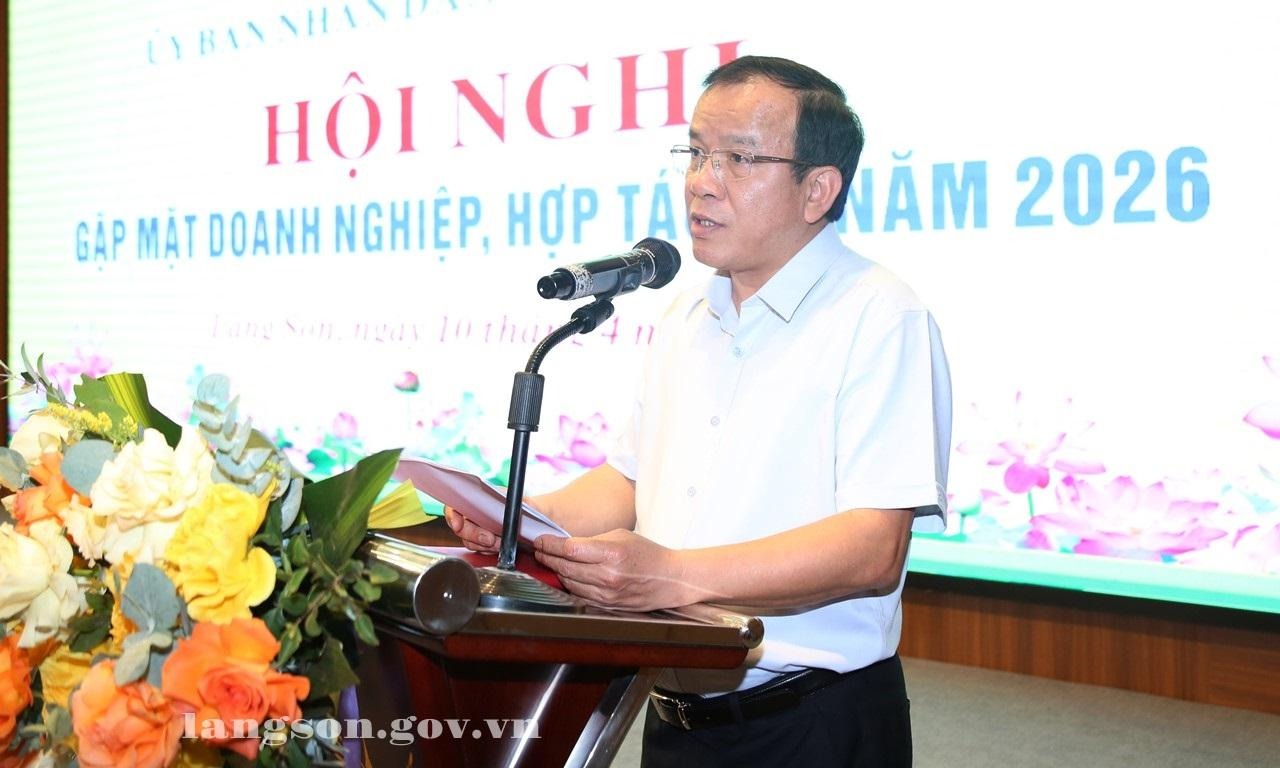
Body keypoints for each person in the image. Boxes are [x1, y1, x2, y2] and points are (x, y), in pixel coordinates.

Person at [446, 55, 950, 767]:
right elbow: (630, 483)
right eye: (696, 153)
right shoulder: (687, 315)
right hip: (673, 714)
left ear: (818, 189)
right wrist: (519, 518)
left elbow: (873, 549)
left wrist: (673, 574)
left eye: (739, 158)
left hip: (810, 723)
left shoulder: (880, 317)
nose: (702, 182)